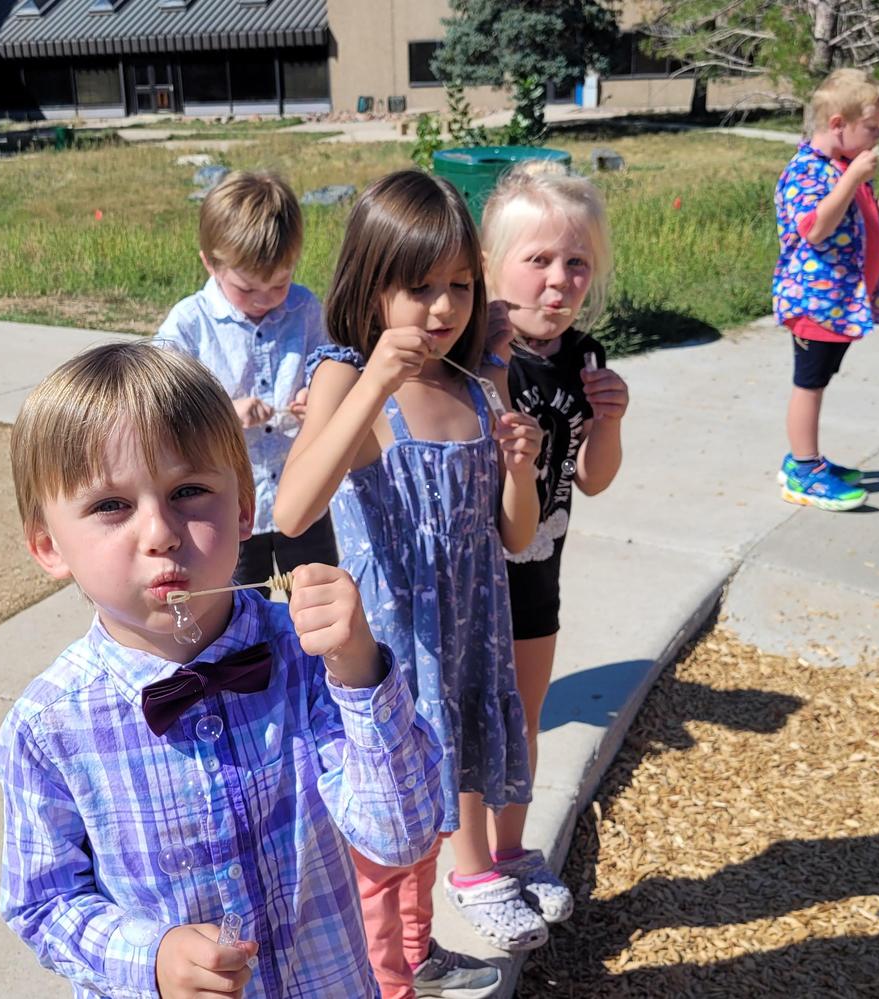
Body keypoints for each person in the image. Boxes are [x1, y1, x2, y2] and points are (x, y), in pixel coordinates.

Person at [0, 342, 443, 999]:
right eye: (111, 506)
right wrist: (149, 956)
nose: (161, 532)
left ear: (242, 510)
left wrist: (360, 669)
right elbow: (42, 902)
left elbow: (402, 835)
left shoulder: (306, 660)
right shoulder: (48, 726)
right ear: (47, 545)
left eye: (188, 491)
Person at [272, 170, 546, 999]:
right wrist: (373, 388)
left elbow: (516, 535)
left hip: (464, 647)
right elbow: (292, 509)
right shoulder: (342, 375)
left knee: (429, 825)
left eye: (459, 285)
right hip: (391, 653)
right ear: (370, 282)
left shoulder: (470, 385)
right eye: (419, 286)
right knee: (384, 836)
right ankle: (379, 976)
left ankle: (415, 953)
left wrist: (521, 468)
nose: (443, 307)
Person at [477, 165, 628, 927]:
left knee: (525, 719)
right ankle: (473, 870)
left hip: (540, 575)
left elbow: (594, 481)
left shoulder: (586, 358)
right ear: (489, 265)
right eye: (536, 260)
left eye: (575, 262)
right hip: (473, 581)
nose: (557, 280)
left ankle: (512, 849)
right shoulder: (473, 355)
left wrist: (610, 421)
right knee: (479, 720)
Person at [156, 170, 337, 594]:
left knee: (314, 597)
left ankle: (313, 664)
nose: (264, 299)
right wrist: (224, 414)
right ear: (210, 262)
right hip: (229, 506)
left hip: (302, 492)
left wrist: (319, 396)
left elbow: (328, 366)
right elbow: (159, 406)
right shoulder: (190, 324)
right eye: (246, 288)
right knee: (236, 607)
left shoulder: (305, 308)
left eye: (278, 283)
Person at [771, 67, 879, 512]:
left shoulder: (840, 166)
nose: (877, 136)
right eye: (871, 127)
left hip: (839, 302)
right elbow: (814, 229)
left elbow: (850, 226)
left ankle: (807, 458)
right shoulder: (808, 170)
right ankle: (803, 471)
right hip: (815, 303)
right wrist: (852, 181)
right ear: (837, 125)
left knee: (820, 381)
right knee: (807, 385)